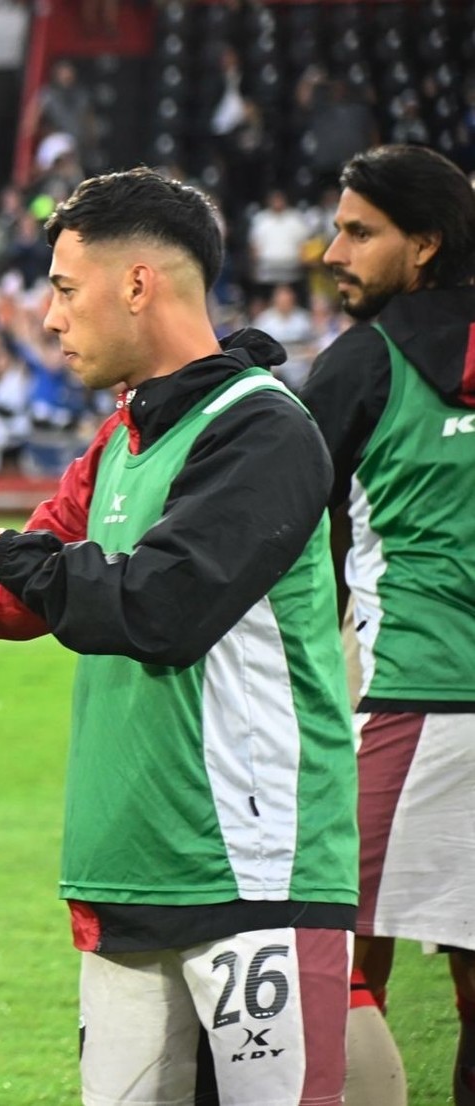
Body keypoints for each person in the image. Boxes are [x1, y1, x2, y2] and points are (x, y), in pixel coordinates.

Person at [0, 167, 358, 1104]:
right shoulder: (120, 441)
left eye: (65, 290)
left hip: (254, 873)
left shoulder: (262, 429)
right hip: (125, 869)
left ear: (137, 285)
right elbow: (7, 597)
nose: (47, 317)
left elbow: (163, 607)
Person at [298, 144, 475, 1106]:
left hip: (410, 698)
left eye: (359, 232)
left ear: (425, 244)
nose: (333, 252)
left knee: (328, 954)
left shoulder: (363, 363)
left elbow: (286, 540)